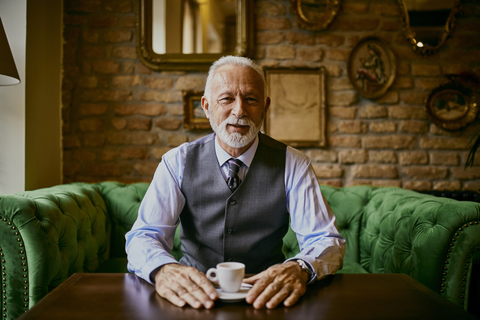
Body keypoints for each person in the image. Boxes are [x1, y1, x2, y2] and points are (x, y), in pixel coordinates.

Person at [125, 55, 346, 310]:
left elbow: (326, 240)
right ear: (207, 106)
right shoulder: (177, 162)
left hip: (268, 300)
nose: (239, 110)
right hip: (191, 301)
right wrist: (163, 269)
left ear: (265, 106)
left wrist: (300, 268)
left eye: (251, 99)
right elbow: (144, 235)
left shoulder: (294, 164)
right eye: (227, 99)